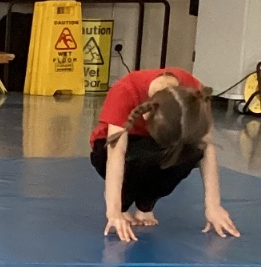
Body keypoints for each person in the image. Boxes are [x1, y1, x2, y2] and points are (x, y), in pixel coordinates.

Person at [91, 67, 239, 242]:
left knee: (192, 150)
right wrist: (115, 211)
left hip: (155, 149)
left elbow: (207, 146)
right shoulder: (125, 90)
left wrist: (213, 205)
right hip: (112, 148)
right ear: (146, 115)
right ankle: (126, 200)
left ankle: (146, 203)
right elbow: (116, 154)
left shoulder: (193, 93)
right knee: (143, 158)